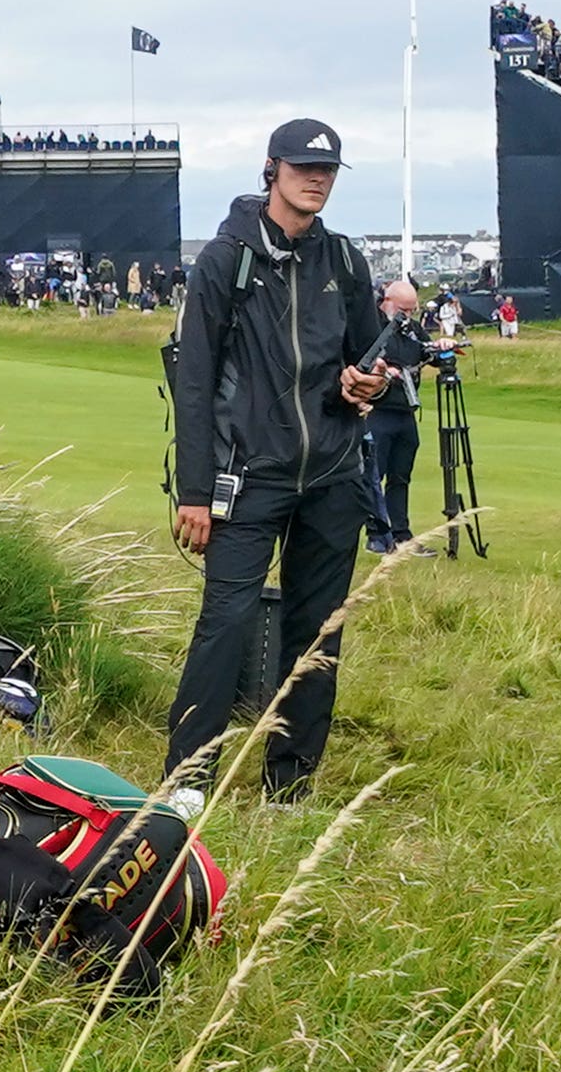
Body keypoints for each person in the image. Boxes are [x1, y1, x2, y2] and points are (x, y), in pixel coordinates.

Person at [160, 119, 389, 805]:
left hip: (330, 472)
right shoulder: (226, 257)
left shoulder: (344, 260)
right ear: (272, 169)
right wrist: (195, 492)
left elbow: (368, 350)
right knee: (225, 623)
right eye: (302, 167)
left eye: (326, 170)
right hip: (246, 473)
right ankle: (187, 779)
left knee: (317, 633)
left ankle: (289, 785)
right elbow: (193, 381)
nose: (315, 179)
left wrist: (369, 381)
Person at [356, 277, 432, 554]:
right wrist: (385, 370)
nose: (408, 316)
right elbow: (360, 359)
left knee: (401, 476)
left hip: (405, 411)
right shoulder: (372, 326)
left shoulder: (412, 329)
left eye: (412, 310)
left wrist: (441, 346)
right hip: (379, 410)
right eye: (404, 310)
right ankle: (376, 534)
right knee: (375, 475)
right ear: (387, 302)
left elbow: (427, 350)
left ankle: (401, 534)